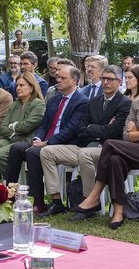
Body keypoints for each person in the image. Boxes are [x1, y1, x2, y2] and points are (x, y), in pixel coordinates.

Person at [70, 64, 139, 229]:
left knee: (111, 144)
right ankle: (118, 212)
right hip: (133, 150)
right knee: (114, 159)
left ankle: (94, 195)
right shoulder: (137, 103)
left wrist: (138, 133)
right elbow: (127, 135)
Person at [40, 65, 131, 211]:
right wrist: (98, 129)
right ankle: (56, 201)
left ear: (120, 81)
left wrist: (92, 128)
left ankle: (89, 201)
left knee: (84, 154)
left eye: (110, 79)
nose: (105, 82)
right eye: (103, 79)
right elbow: (81, 129)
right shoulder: (94, 101)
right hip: (85, 146)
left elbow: (113, 131)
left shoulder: (125, 103)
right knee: (47, 152)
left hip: (109, 149)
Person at [4, 65, 90, 214]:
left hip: (67, 144)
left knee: (33, 153)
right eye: (57, 77)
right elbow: (44, 125)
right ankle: (10, 194)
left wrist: (47, 143)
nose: (58, 81)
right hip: (45, 142)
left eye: (63, 78)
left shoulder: (82, 101)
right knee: (16, 148)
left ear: (74, 80)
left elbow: (71, 130)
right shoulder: (54, 100)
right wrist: (38, 138)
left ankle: (38, 201)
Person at [0, 73, 46, 176]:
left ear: (31, 87)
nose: (18, 88)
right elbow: (2, 128)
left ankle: (12, 184)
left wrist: (13, 126)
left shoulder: (38, 104)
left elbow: (26, 127)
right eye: (17, 85)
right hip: (10, 139)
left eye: (22, 85)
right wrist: (15, 129)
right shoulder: (14, 104)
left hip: (25, 141)